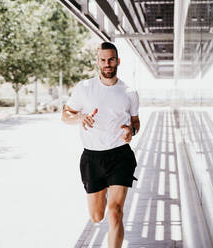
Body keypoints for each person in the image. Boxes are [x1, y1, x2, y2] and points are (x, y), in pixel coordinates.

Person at [61, 42, 140, 248]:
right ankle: (103, 190)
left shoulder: (129, 92)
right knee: (97, 216)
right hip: (92, 158)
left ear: (118, 61)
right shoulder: (84, 88)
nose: (107, 64)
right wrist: (80, 117)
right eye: (103, 60)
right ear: (98, 62)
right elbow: (65, 115)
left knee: (115, 213)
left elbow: (136, 121)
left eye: (111, 59)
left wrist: (131, 131)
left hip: (120, 156)